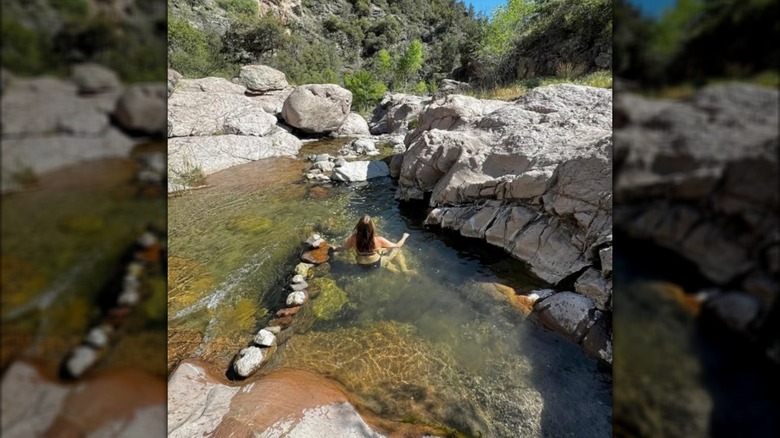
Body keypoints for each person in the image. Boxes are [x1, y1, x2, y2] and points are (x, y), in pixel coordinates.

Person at [330, 215, 416, 274]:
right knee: (397, 250)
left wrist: (333, 249)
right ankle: (404, 269)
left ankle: (391, 267)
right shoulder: (378, 240)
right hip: (376, 264)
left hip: (361, 265)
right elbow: (397, 245)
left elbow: (342, 248)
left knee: (382, 251)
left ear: (358, 227)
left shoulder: (353, 238)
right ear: (372, 227)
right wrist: (404, 237)